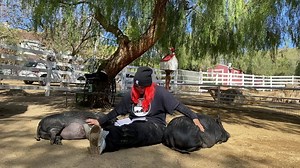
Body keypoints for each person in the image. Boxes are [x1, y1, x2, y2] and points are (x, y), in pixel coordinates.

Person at [85, 66, 205, 155]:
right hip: (133, 121)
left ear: (148, 85)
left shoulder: (160, 93)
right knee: (116, 125)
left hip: (155, 127)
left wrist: (194, 117)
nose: (139, 89)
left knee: (134, 130)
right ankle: (101, 133)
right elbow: (116, 111)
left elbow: (179, 106)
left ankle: (104, 144)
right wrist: (100, 121)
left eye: (142, 87)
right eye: (137, 86)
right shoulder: (131, 94)